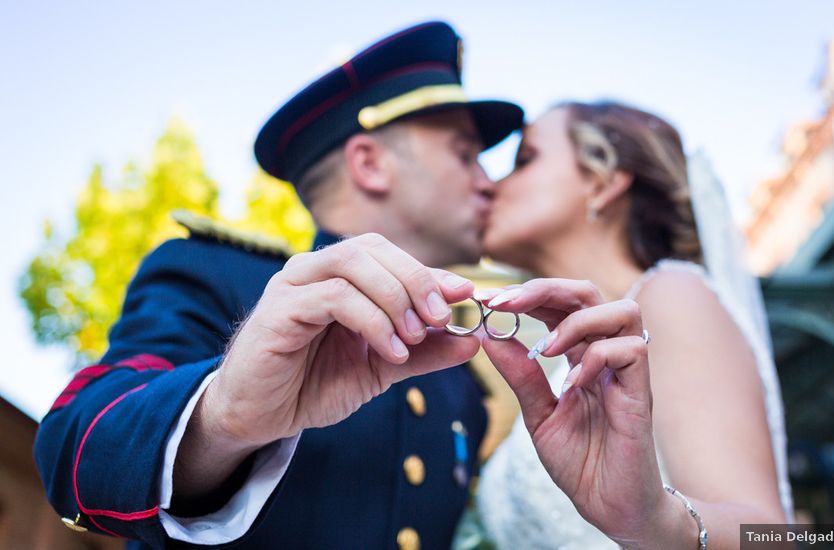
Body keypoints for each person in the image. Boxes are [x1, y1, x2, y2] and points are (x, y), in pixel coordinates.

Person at [34, 21, 523, 549]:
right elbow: (74, 445)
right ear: (370, 163)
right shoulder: (215, 273)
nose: (488, 182)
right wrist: (220, 417)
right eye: (463, 153)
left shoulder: (464, 380)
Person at [465, 101, 793, 548]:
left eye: (525, 161)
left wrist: (655, 519)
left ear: (603, 182)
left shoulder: (672, 297)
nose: (490, 185)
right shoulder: (568, 356)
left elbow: (768, 537)